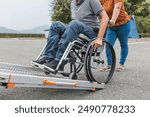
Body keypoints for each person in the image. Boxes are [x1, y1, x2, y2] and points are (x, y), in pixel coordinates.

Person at [32, 0, 109, 73]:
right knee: (55, 25)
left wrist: (99, 38)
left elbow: (105, 17)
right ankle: (48, 57)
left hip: (90, 32)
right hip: (77, 30)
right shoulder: (73, 3)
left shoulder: (92, 1)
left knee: (74, 23)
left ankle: (59, 60)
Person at [100, 0, 131, 72]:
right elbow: (98, 8)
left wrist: (113, 19)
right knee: (108, 44)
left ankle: (121, 64)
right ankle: (110, 65)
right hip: (111, 27)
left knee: (123, 44)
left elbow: (117, 8)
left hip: (123, 24)